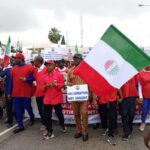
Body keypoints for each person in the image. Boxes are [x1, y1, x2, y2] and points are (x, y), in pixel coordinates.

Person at [67, 54, 91, 142]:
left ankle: (85, 132)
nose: (76, 60)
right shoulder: (70, 71)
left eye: (77, 59)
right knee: (76, 114)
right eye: (74, 59)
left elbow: (90, 85)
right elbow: (68, 82)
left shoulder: (86, 70)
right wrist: (68, 84)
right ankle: (78, 130)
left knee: (84, 114)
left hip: (84, 97)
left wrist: (92, 96)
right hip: (74, 97)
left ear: (81, 59)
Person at [43, 60, 67, 140]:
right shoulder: (44, 75)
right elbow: (42, 86)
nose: (48, 67)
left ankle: (62, 124)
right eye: (46, 65)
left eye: (49, 65)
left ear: (53, 66)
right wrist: (46, 86)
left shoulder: (59, 75)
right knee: (47, 115)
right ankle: (50, 131)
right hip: (47, 98)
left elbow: (62, 84)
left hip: (56, 97)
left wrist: (56, 84)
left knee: (59, 114)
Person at [11, 53, 35, 133]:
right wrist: (9, 92)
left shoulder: (30, 67)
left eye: (16, 58)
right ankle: (20, 126)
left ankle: (32, 117)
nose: (14, 60)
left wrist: (26, 79)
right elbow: (11, 82)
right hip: (16, 92)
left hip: (26, 92)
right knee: (18, 109)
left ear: (21, 59)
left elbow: (33, 78)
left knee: (28, 107)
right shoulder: (13, 69)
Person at [119, 75, 139, 141]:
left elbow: (138, 83)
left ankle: (130, 126)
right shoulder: (120, 74)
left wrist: (139, 96)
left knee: (131, 115)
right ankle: (126, 133)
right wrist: (120, 96)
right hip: (124, 97)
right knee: (124, 115)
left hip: (133, 96)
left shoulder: (134, 72)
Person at [0, 57, 16, 128]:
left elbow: (0, 76)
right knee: (14, 107)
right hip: (14, 91)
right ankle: (15, 120)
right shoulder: (7, 70)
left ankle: (10, 121)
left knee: (10, 107)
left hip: (11, 92)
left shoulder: (7, 70)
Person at [33, 56, 47, 131]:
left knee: (45, 110)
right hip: (38, 93)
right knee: (40, 110)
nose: (33, 62)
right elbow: (35, 79)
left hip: (45, 94)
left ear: (38, 61)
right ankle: (44, 123)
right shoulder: (35, 70)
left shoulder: (46, 69)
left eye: (34, 61)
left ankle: (47, 124)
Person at [138, 65, 150, 131]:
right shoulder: (141, 73)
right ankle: (143, 123)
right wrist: (140, 96)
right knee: (144, 110)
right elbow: (139, 86)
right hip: (145, 96)